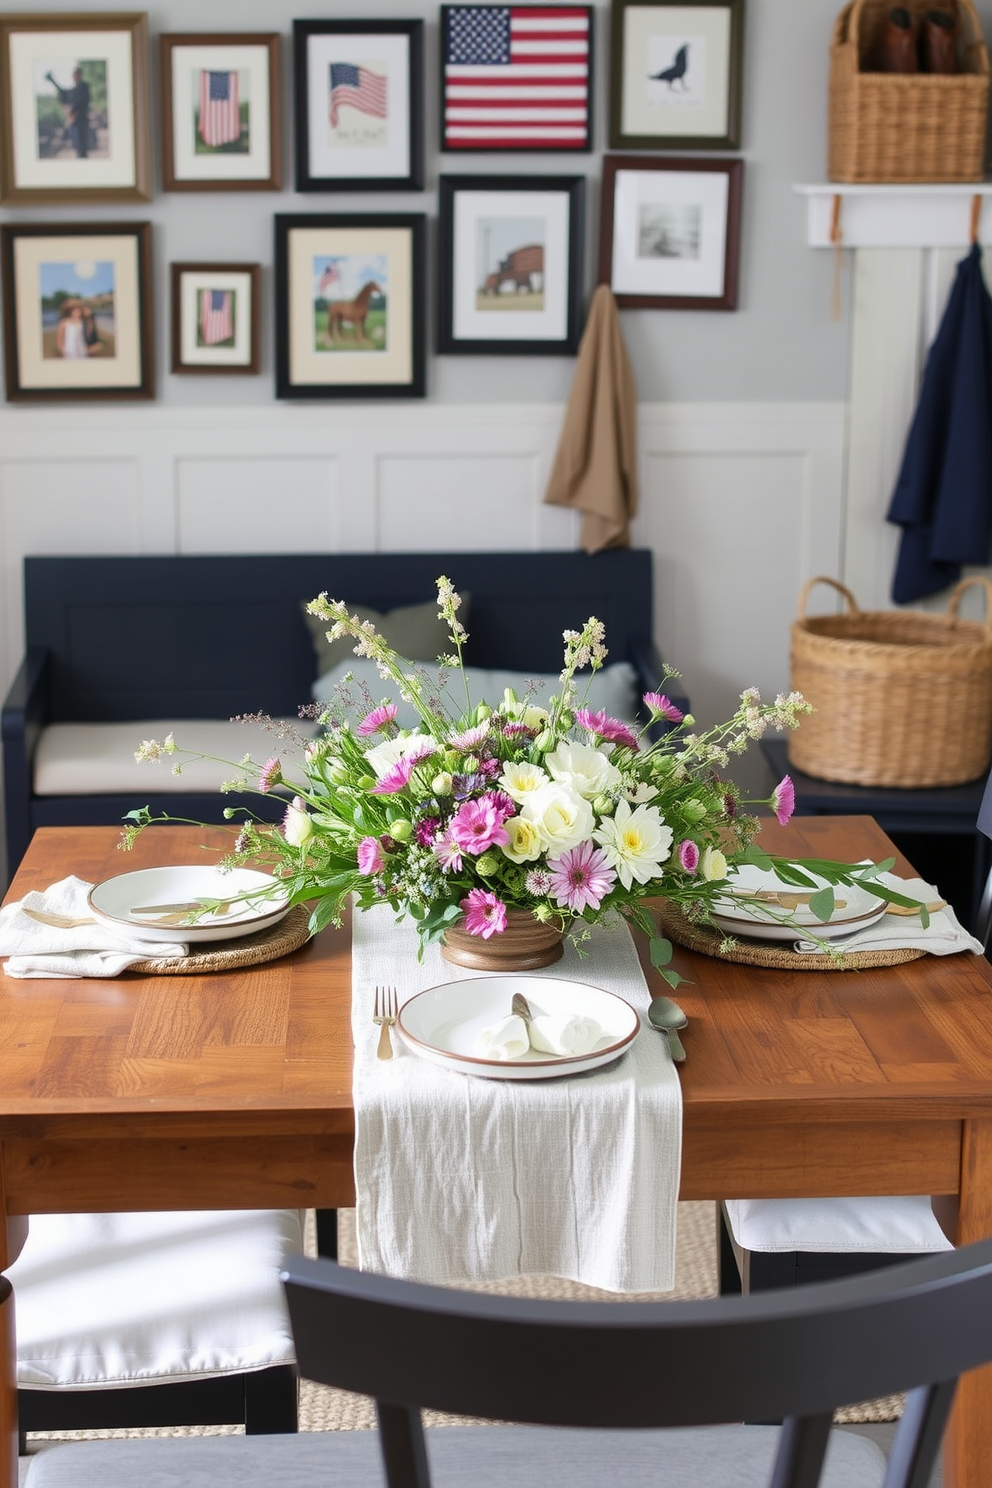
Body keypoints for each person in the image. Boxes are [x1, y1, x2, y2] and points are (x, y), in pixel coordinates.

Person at [44, 66, 91, 158]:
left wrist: (72, 111)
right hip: (74, 122)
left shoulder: (83, 87)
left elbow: (82, 102)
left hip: (80, 122)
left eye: (76, 74)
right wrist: (53, 82)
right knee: (77, 147)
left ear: (80, 75)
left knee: (81, 149)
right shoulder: (75, 89)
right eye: (73, 75)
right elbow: (64, 94)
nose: (74, 77)